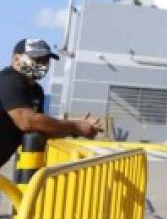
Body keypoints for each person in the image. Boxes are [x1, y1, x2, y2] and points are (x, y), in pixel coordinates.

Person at [1, 38, 102, 167]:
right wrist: (75, 126)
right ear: (16, 60)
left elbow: (41, 128)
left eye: (45, 61)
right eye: (37, 59)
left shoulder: (36, 91)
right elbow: (28, 121)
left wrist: (77, 129)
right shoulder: (8, 80)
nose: (43, 65)